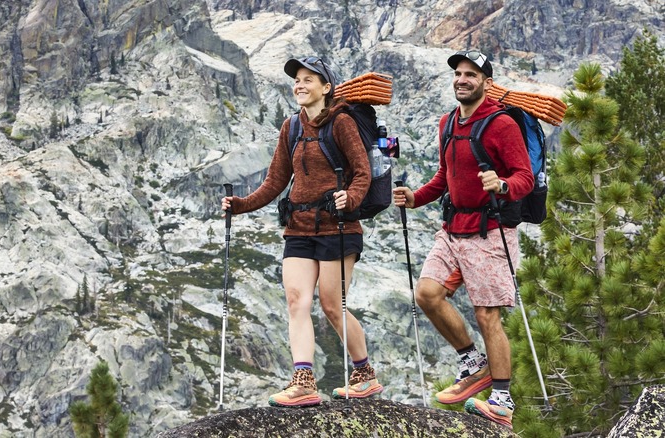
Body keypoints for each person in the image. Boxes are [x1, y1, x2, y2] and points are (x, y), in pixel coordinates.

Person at [221, 56, 383, 407]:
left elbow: (362, 171)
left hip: (338, 226)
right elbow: (276, 180)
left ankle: (365, 374)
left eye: (309, 79)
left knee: (331, 305)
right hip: (298, 228)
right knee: (296, 301)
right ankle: (304, 381)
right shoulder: (291, 127)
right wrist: (241, 204)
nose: (300, 85)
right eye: (297, 79)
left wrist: (350, 198)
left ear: (326, 87)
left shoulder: (341, 122)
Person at [393, 50, 533, 428]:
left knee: (487, 315)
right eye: (458, 73)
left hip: (491, 231)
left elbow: (526, 177)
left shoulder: (501, 124)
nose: (462, 79)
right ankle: (472, 360)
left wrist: (502, 184)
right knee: (426, 293)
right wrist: (416, 197)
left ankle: (501, 399)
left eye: (471, 74)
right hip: (452, 229)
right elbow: (444, 177)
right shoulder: (447, 123)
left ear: (486, 83)